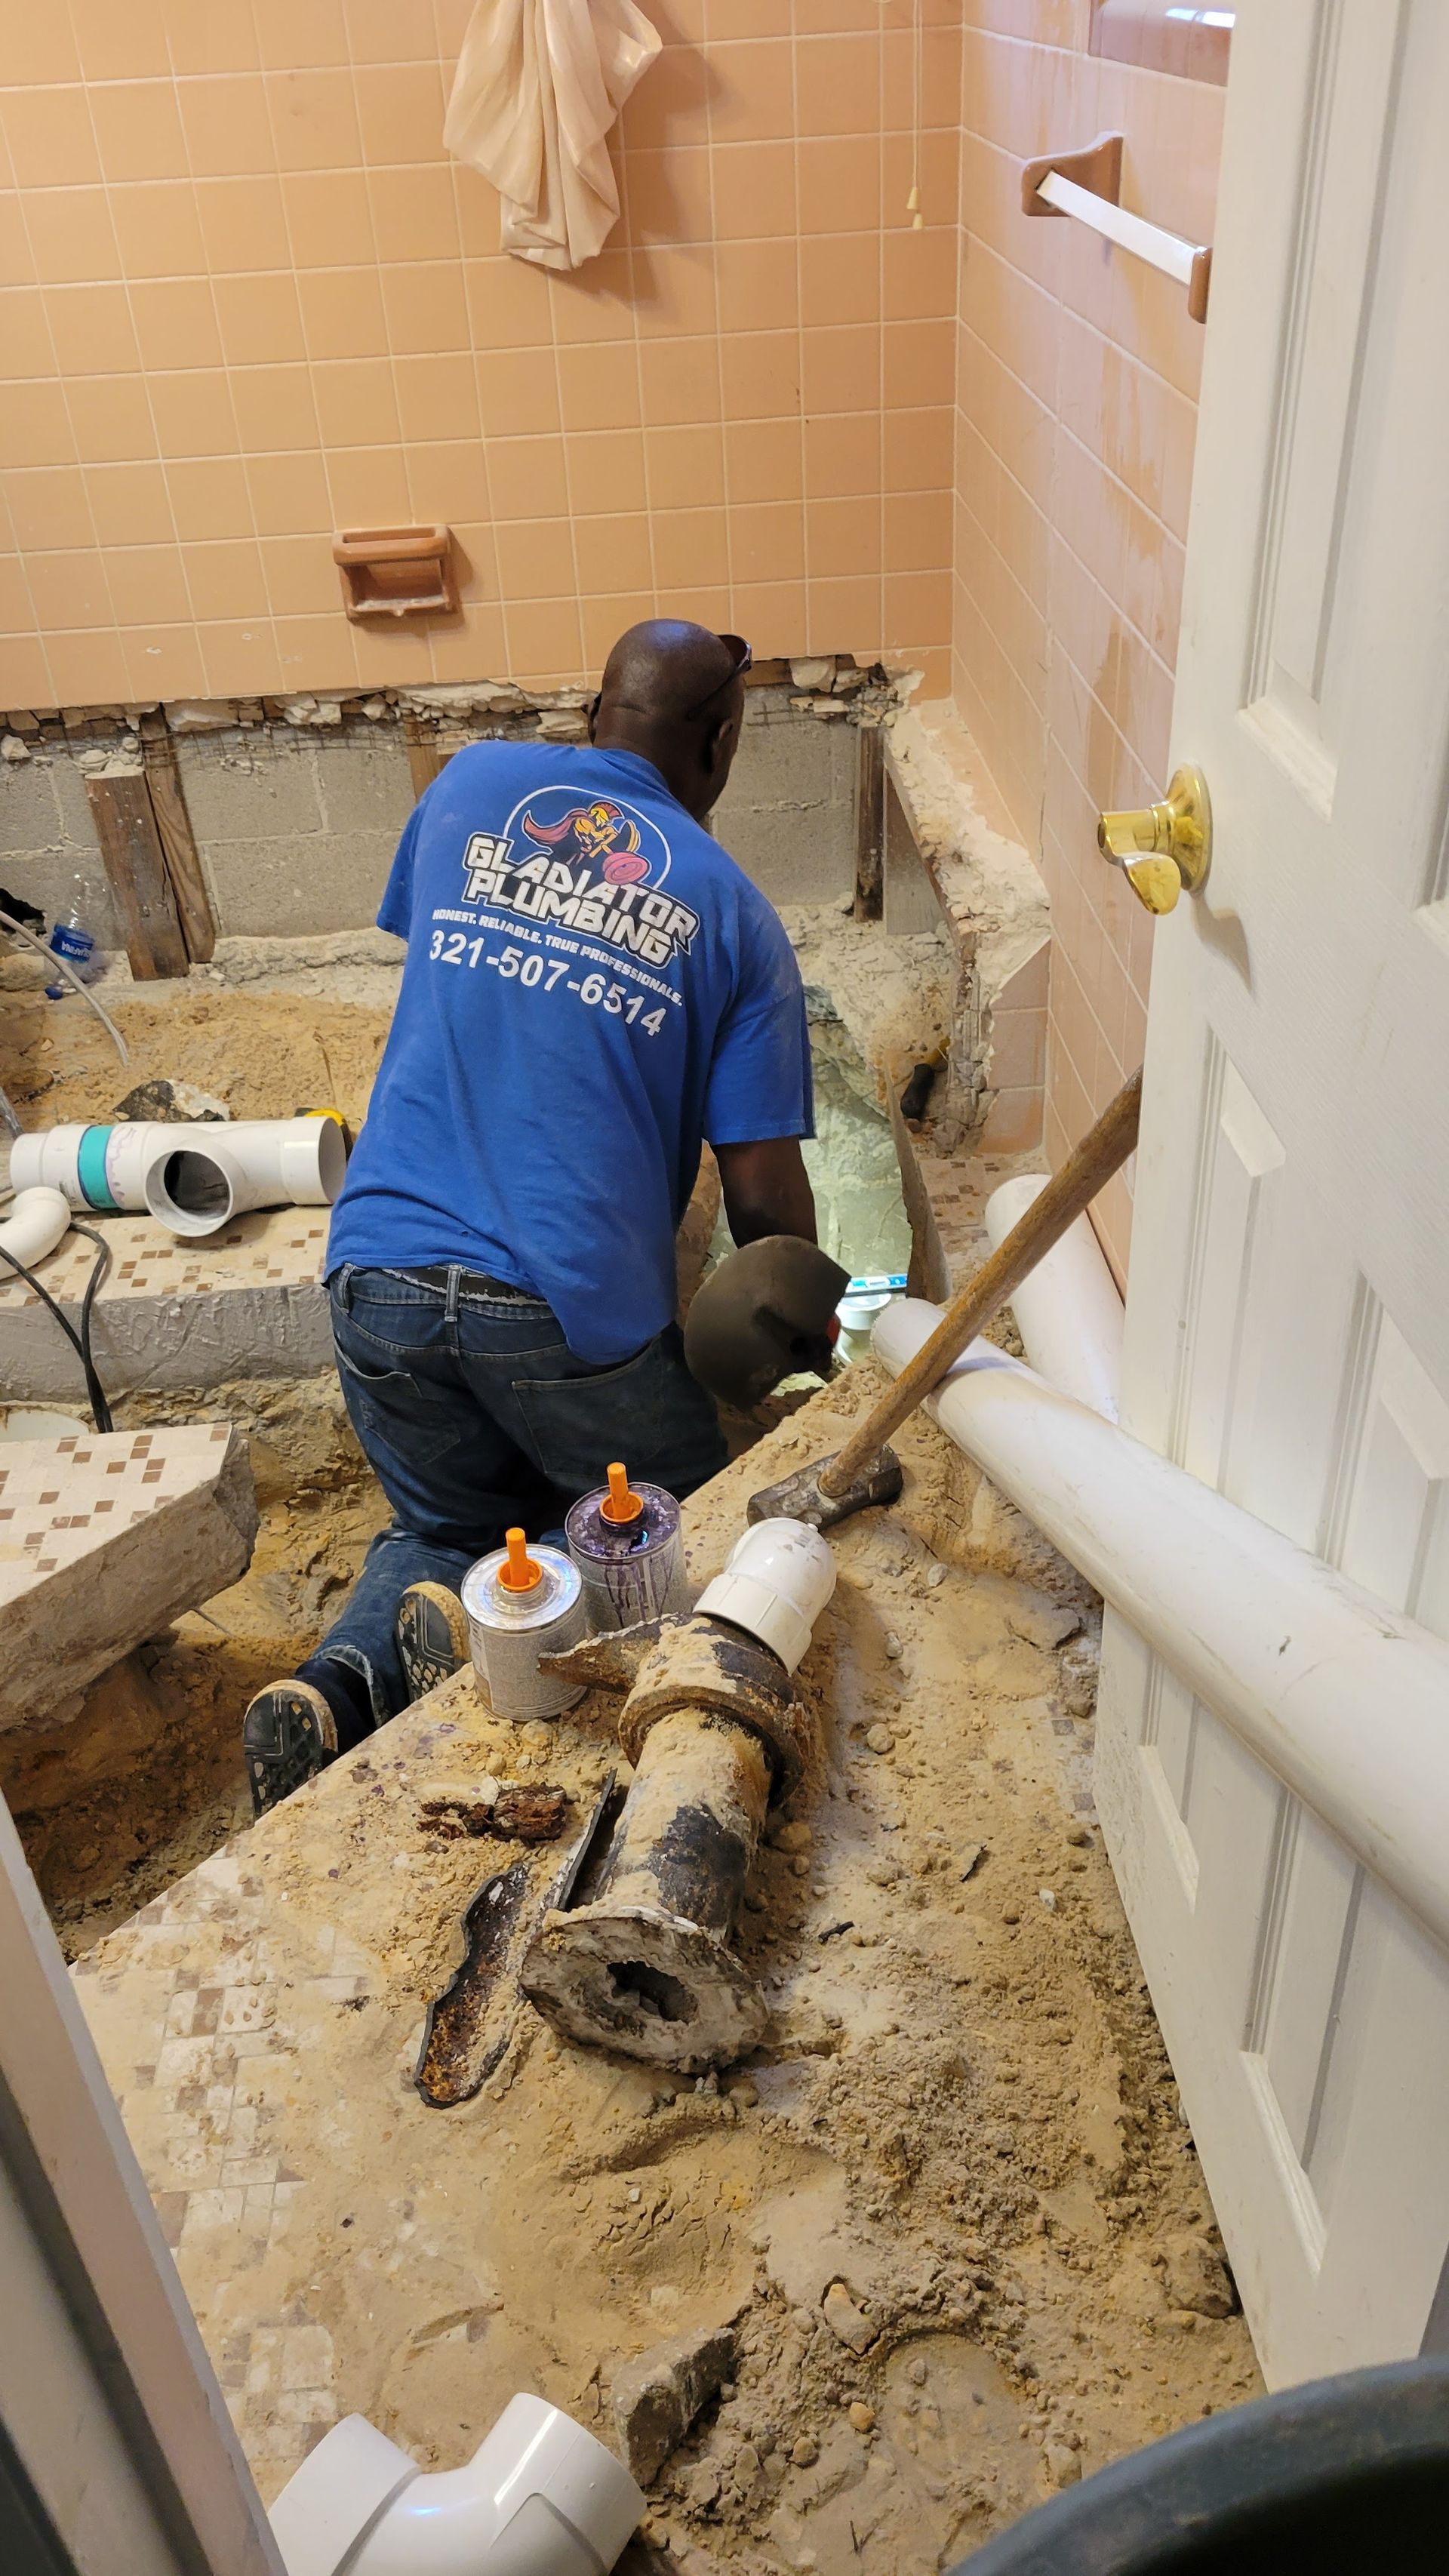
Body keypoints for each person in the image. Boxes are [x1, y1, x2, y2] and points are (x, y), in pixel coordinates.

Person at [243, 620, 819, 1814]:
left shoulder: (470, 786)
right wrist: (816, 1330)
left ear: (592, 711)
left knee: (451, 1516)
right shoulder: (736, 917)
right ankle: (619, 1744)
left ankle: (341, 1681)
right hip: (561, 1310)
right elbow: (764, 1209)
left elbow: (473, 978)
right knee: (673, 1536)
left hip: (376, 1275)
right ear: (720, 744)